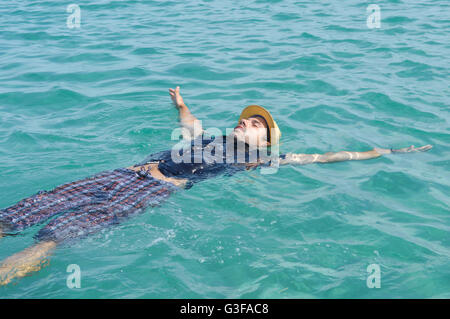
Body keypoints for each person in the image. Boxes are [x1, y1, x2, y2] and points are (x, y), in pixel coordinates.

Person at [0, 86, 432, 286]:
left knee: (60, 234)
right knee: (26, 209)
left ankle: (23, 263)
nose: (247, 121)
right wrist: (182, 104)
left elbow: (324, 157)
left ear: (267, 139)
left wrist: (389, 153)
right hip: (126, 171)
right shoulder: (208, 138)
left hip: (157, 188)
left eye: (257, 123)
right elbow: (191, 123)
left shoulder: (261, 159)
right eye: (246, 117)